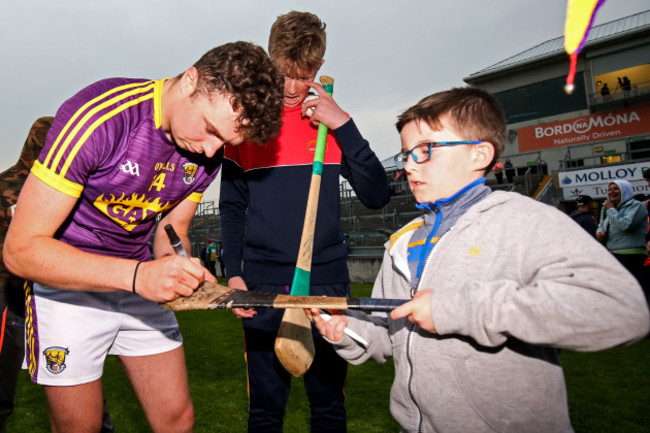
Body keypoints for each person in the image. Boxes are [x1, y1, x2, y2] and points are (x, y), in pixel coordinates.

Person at [307, 87, 650, 433]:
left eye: (425, 151)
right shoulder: (403, 242)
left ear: (479, 154)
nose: (408, 166)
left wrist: (454, 309)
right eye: (405, 154)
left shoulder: (524, 221)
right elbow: (390, 334)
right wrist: (348, 329)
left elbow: (621, 309)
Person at [3, 41, 284, 433]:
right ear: (191, 81)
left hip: (138, 283)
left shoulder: (206, 151)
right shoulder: (99, 117)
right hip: (66, 284)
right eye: (209, 129)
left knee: (177, 421)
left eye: (226, 143)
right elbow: (19, 251)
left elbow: (172, 232)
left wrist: (182, 265)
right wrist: (139, 276)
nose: (211, 150)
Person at [219, 11, 390, 433]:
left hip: (326, 280)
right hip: (261, 284)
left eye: (304, 75)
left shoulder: (329, 124)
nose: (293, 88)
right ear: (268, 60)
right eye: (283, 74)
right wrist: (235, 274)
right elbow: (231, 207)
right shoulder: (247, 124)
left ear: (319, 69)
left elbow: (376, 194)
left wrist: (344, 126)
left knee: (329, 404)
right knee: (264, 409)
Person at [596, 180, 649, 296]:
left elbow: (625, 226)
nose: (611, 192)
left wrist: (611, 210)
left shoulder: (636, 206)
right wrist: (600, 232)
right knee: (619, 293)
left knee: (635, 292)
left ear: (625, 191)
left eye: (616, 188)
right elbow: (601, 225)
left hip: (632, 255)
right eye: (610, 189)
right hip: (613, 254)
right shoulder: (607, 207)